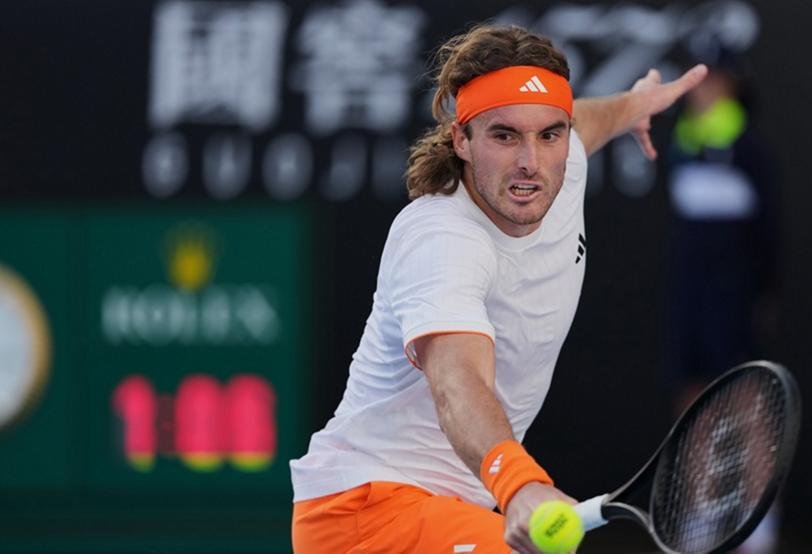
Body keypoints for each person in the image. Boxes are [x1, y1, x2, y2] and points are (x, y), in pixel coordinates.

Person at [290, 24, 706, 554]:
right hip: (364, 512)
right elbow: (457, 381)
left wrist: (633, 106)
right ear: (461, 139)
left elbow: (586, 121)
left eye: (549, 134)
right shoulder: (442, 238)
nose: (530, 160)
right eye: (504, 136)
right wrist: (520, 485)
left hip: (448, 507)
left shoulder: (558, 167)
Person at [663, 45, 779, 553]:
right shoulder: (680, 146)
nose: (703, 91)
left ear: (733, 86)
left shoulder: (750, 149)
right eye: (697, 81)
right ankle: (700, 518)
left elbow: (770, 235)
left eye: (713, 81)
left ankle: (759, 521)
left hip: (734, 300)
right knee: (694, 405)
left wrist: (763, 294)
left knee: (748, 401)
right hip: (691, 297)